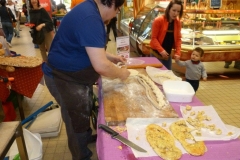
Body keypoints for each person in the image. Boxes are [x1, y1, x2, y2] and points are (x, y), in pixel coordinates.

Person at [42, 0, 129, 159]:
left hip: (74, 77)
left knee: (84, 109)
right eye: (118, 9)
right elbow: (101, 66)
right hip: (64, 79)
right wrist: (121, 73)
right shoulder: (90, 18)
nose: (117, 13)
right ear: (111, 4)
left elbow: (89, 46)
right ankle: (80, 155)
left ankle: (86, 137)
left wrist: (112, 57)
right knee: (76, 119)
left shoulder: (90, 10)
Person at [150, 0, 183, 70]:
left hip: (168, 55)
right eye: (174, 10)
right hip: (156, 54)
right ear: (169, 9)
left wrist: (178, 53)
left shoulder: (178, 23)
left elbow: (178, 39)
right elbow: (153, 38)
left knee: (167, 75)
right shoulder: (158, 20)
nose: (176, 13)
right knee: (155, 75)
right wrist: (161, 50)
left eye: (178, 11)